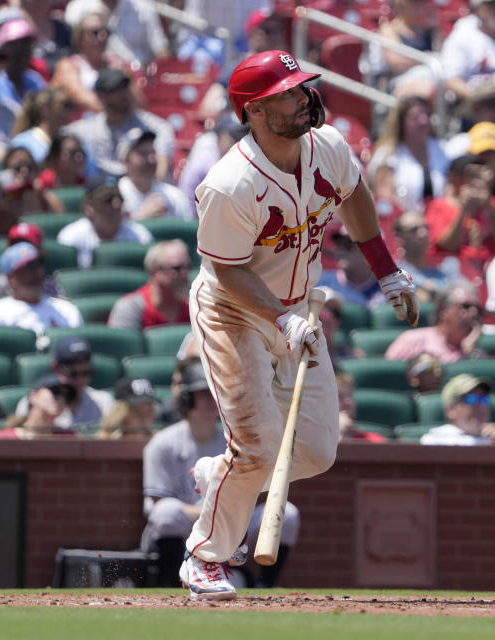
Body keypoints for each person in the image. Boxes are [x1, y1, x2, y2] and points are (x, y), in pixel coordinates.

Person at [181, 49, 419, 600]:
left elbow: (354, 193)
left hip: (297, 308)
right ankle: (204, 557)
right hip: (233, 311)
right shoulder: (229, 184)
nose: (303, 97)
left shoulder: (327, 145)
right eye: (286, 94)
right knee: (260, 447)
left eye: (301, 87)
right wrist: (280, 317)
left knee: (316, 451)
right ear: (253, 112)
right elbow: (225, 270)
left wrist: (386, 272)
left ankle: (220, 477)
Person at [141, 360, 300, 588]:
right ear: (186, 398)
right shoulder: (162, 444)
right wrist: (210, 514)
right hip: (187, 524)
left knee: (288, 514)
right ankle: (174, 583)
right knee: (166, 512)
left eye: (214, 393)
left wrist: (229, 517)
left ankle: (263, 586)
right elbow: (157, 503)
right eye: (203, 394)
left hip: (230, 522)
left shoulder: (237, 442)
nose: (211, 400)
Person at [64, 67, 175, 179]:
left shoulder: (154, 127)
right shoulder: (88, 129)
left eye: (125, 87)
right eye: (116, 89)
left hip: (142, 189)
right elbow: (58, 137)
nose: (123, 94)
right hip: (102, 192)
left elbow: (162, 165)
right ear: (100, 96)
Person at [424, 154, 495, 282]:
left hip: (488, 270)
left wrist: (489, 207)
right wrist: (463, 211)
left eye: (478, 175)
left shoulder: (494, 204)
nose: (474, 181)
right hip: (453, 272)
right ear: (452, 177)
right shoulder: (439, 206)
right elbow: (447, 245)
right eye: (469, 175)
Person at [367, 95, 450, 214]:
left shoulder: (441, 149)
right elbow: (385, 201)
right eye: (415, 117)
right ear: (401, 122)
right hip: (403, 227)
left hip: (438, 224)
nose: (423, 121)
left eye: (426, 114)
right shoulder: (387, 154)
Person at [14, 336, 115, 430]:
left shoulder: (103, 402)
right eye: (73, 374)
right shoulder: (36, 403)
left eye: (85, 373)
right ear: (55, 368)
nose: (80, 379)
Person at [0, 242, 83, 339]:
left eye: (39, 264)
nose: (37, 272)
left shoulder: (67, 310)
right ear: (11, 278)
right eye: (29, 267)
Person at [57, 179, 154, 268]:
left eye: (120, 198)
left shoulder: (140, 235)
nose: (116, 204)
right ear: (89, 207)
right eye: (108, 199)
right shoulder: (71, 237)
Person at [51, 10, 129, 114]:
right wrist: (115, 112)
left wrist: (125, 76)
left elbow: (137, 103)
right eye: (95, 32)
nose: (103, 37)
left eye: (106, 32)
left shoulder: (115, 63)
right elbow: (80, 96)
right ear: (80, 37)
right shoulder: (68, 65)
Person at [386, 280, 481, 363]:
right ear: (443, 309)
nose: (474, 312)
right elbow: (389, 378)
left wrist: (468, 353)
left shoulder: (475, 353)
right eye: (466, 306)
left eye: (478, 308)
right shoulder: (413, 341)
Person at [108, 240, 192, 330]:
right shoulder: (130, 309)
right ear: (154, 271)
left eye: (187, 267)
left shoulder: (193, 308)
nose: (184, 274)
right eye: (176, 268)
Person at [117, 128, 192, 221]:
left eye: (153, 152)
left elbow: (188, 232)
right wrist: (142, 216)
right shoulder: (115, 197)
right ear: (126, 162)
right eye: (143, 153)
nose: (151, 159)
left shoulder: (175, 196)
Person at [419, 373, 495, 445]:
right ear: (451, 410)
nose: (480, 405)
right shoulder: (435, 440)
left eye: (483, 399)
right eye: (471, 399)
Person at [392, 211, 462, 301]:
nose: (423, 233)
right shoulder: (394, 272)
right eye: (414, 229)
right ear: (399, 238)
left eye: (425, 227)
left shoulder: (442, 269)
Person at [10, 85, 79, 164]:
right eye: (65, 105)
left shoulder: (70, 142)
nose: (70, 111)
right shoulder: (23, 142)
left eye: (72, 106)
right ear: (45, 109)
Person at [0, 373, 78, 439]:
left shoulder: (69, 438)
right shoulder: (5, 437)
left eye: (67, 396)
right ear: (34, 396)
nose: (61, 399)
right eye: (55, 391)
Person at [0, 18, 46, 108]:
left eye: (27, 45)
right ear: (4, 49)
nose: (23, 51)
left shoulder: (35, 81)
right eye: (18, 45)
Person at [335, 371, 387, 443]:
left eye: (350, 395)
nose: (349, 403)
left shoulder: (374, 441)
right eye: (339, 397)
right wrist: (340, 432)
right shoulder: (317, 441)